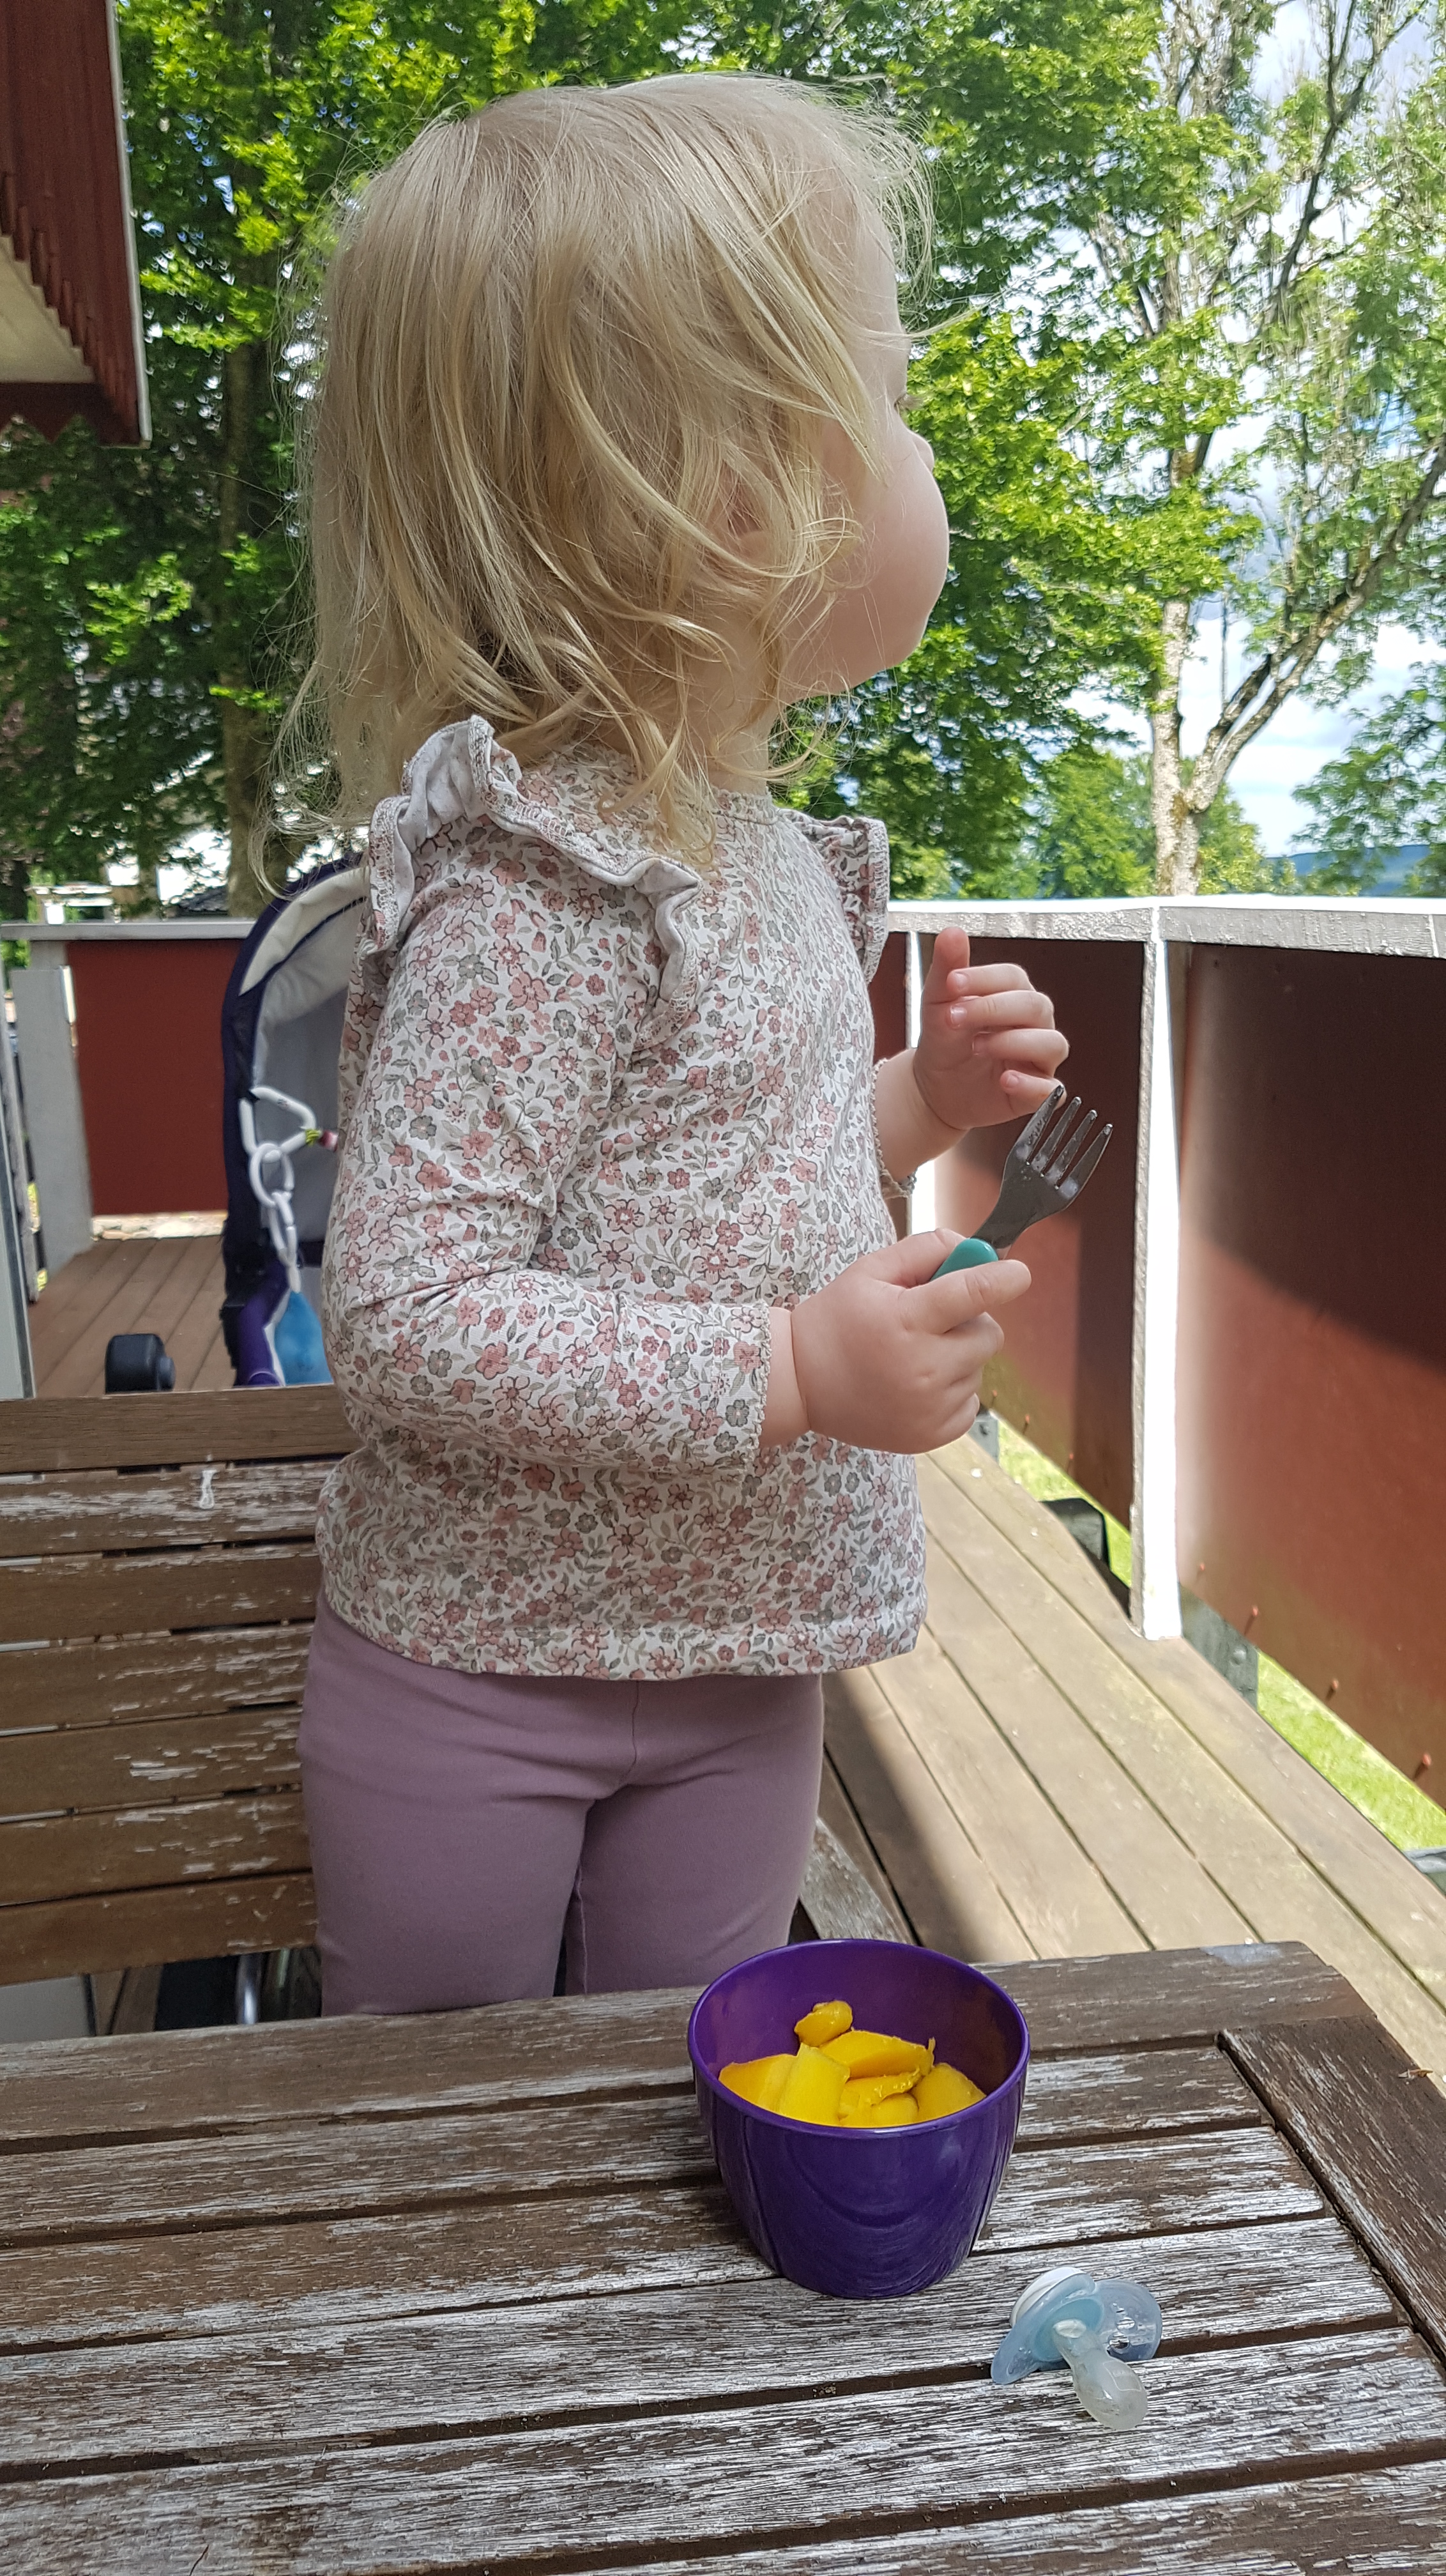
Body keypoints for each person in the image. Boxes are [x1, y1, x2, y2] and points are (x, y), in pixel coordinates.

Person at [296, 75, 1069, 2014]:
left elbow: (726, 1160)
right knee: (452, 2114)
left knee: (690, 2082)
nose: (918, 449)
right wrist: (795, 1367)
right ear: (716, 497)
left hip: (740, 1651)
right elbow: (410, 1309)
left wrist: (919, 1103)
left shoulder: (753, 853)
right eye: (887, 398)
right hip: (482, 1674)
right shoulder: (541, 887)